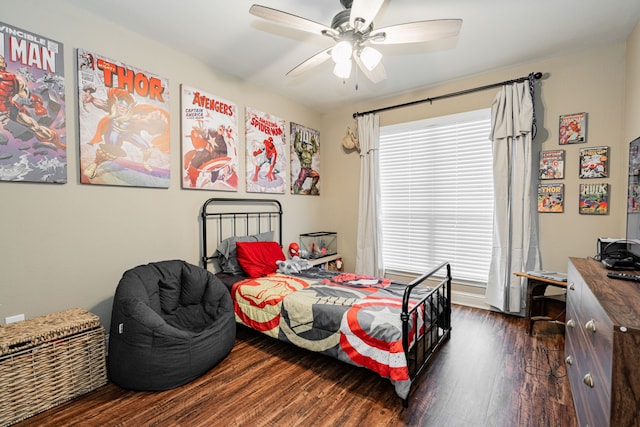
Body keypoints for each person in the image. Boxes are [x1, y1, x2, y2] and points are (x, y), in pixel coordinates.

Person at [0, 54, 63, 149]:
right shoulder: (15, 80)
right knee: (35, 127)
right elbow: (27, 97)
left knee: (36, 127)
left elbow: (27, 97)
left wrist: (37, 106)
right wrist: (37, 105)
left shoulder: (15, 80)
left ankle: (56, 143)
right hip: (8, 111)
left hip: (7, 112)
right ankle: (56, 143)